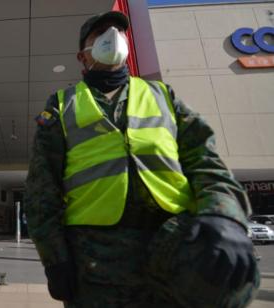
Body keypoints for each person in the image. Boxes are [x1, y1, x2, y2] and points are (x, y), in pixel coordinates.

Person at [26, 11, 259, 307]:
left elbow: (205, 161)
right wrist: (55, 260)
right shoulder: (62, 104)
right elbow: (40, 191)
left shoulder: (164, 96)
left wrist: (225, 216)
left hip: (177, 252)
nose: (112, 37)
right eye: (100, 34)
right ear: (82, 56)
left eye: (117, 31)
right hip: (97, 263)